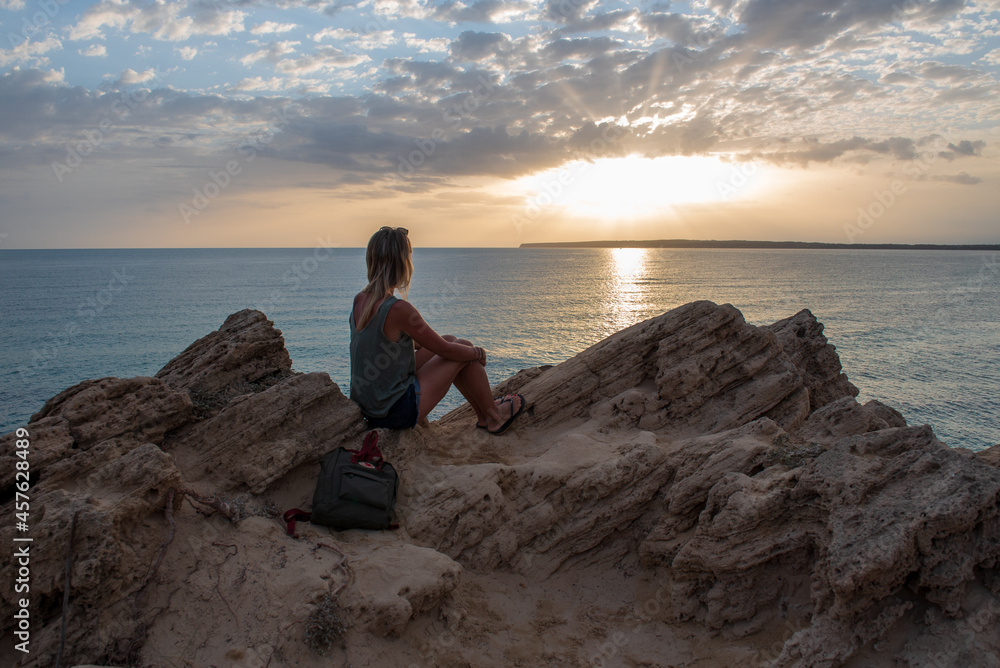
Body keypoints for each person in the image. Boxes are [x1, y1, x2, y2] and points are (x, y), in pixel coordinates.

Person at [349, 226, 526, 433]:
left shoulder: (360, 299)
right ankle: (495, 417)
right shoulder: (399, 309)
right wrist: (478, 353)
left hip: (370, 406)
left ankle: (486, 415)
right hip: (395, 412)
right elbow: (446, 351)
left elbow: (390, 342)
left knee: (451, 339)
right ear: (402, 263)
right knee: (461, 347)